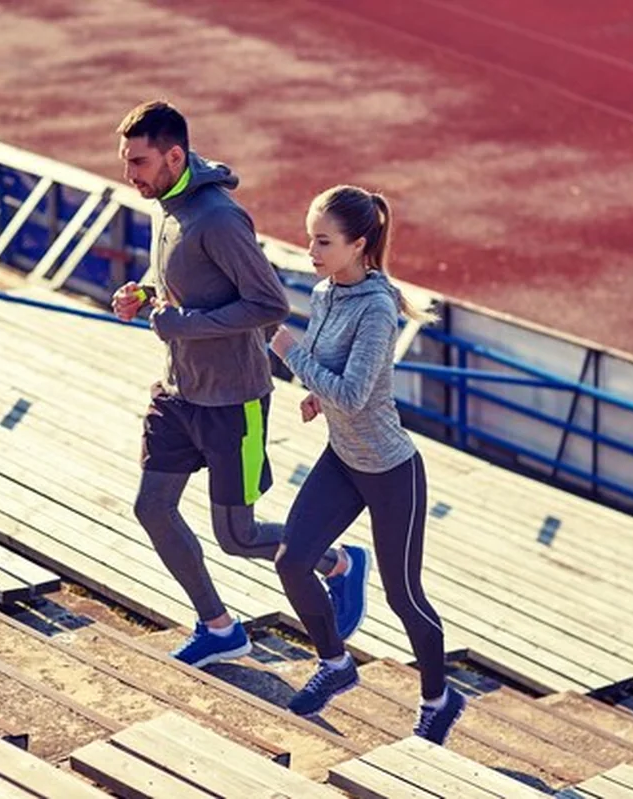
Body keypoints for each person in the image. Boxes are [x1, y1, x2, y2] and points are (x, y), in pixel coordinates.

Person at [110, 102, 371, 669]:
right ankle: (219, 627)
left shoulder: (219, 219)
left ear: (174, 156)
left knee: (238, 535)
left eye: (139, 161)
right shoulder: (169, 204)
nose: (130, 173)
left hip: (234, 401)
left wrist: (183, 324)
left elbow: (268, 304)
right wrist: (148, 295)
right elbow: (191, 284)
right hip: (178, 391)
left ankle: (339, 563)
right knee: (152, 508)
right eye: (126, 160)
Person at [268, 185, 466, 744]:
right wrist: (314, 391)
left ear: (358, 245)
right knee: (292, 560)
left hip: (389, 470)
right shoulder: (329, 290)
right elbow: (333, 371)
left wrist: (287, 351)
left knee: (405, 596)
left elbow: (353, 395)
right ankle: (335, 664)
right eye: (310, 238)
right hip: (343, 458)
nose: (311, 250)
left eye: (323, 241)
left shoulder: (377, 308)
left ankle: (439, 698)